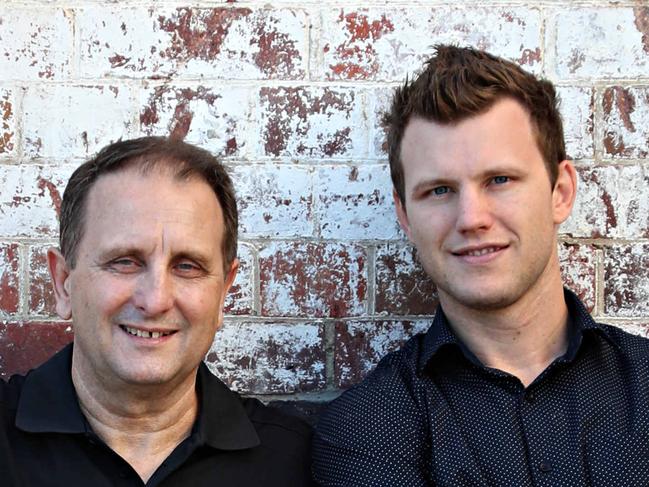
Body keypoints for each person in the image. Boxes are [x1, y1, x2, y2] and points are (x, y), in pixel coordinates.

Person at [312, 45, 649, 486]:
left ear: (560, 191)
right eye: (439, 190)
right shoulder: (369, 427)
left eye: (500, 180)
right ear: (404, 216)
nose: (472, 218)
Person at [0, 136, 313, 486]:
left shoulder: (289, 461)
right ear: (63, 283)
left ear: (224, 290)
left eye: (187, 266)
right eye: (125, 262)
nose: (156, 300)